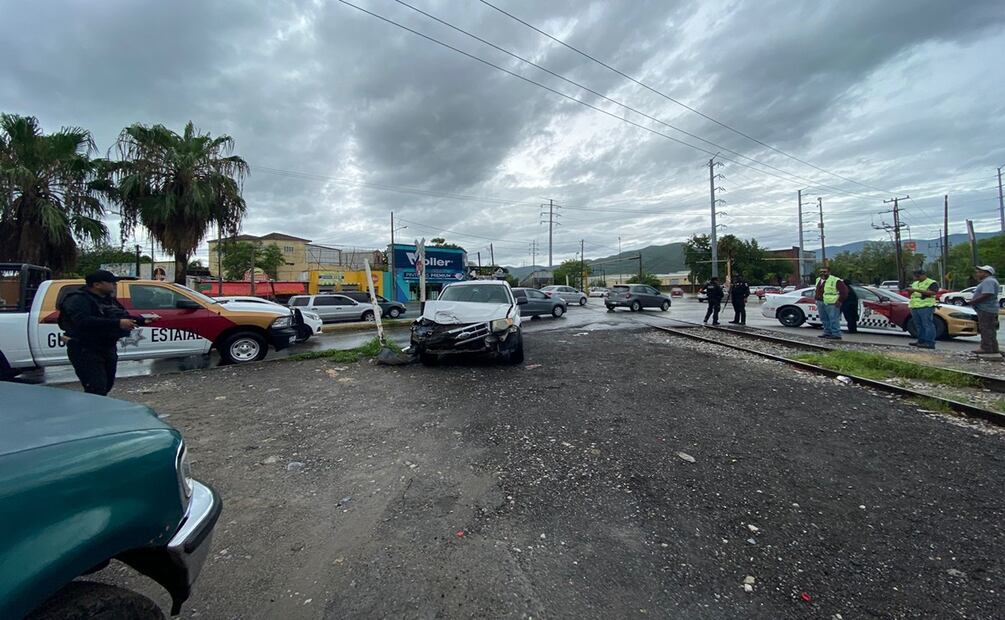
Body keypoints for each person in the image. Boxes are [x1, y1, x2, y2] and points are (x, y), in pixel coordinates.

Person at [58, 270, 146, 395]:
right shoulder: (77, 299)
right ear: (97, 285)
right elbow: (83, 322)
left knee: (107, 385)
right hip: (85, 348)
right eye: (111, 282)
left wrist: (142, 320)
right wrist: (118, 324)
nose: (114, 285)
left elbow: (118, 316)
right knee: (96, 388)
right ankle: (93, 413)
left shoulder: (108, 299)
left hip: (107, 347)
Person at [968, 265, 1000, 355]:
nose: (977, 274)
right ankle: (993, 347)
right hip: (990, 309)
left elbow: (987, 294)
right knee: (991, 329)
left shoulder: (988, 281)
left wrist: (973, 301)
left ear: (986, 273)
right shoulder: (990, 281)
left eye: (979, 272)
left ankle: (986, 348)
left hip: (986, 309)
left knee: (985, 328)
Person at [907, 267, 939, 349]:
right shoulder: (915, 283)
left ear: (923, 275)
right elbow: (911, 295)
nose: (916, 277)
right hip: (914, 305)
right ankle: (921, 341)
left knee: (927, 324)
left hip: (926, 306)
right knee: (918, 325)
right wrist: (910, 291)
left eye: (918, 276)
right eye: (915, 276)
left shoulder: (931, 282)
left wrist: (916, 290)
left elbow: (933, 292)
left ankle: (929, 342)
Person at [814, 266, 848, 339]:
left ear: (829, 272)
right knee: (824, 319)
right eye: (821, 272)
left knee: (833, 319)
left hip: (832, 303)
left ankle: (836, 334)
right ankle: (827, 333)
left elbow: (844, 291)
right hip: (820, 302)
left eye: (824, 272)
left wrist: (839, 301)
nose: (822, 273)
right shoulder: (818, 280)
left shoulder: (836, 280)